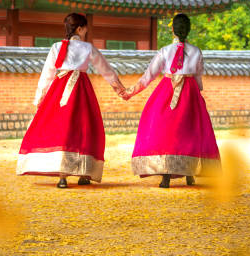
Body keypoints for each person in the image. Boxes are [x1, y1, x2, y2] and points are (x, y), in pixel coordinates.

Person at [17, 13, 126, 188]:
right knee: (84, 128)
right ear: (80, 29)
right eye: (86, 27)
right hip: (81, 90)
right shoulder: (87, 48)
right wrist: (119, 88)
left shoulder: (56, 47)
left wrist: (40, 97)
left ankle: (63, 176)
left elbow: (47, 74)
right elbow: (105, 69)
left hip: (59, 90)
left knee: (61, 128)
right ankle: (84, 173)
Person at [122, 13, 220, 188]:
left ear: (173, 30)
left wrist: (130, 92)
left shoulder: (165, 51)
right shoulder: (196, 51)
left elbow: (149, 75)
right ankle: (190, 173)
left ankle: (166, 175)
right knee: (190, 132)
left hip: (167, 91)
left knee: (165, 131)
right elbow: (198, 77)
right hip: (190, 93)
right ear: (189, 30)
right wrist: (198, 93)